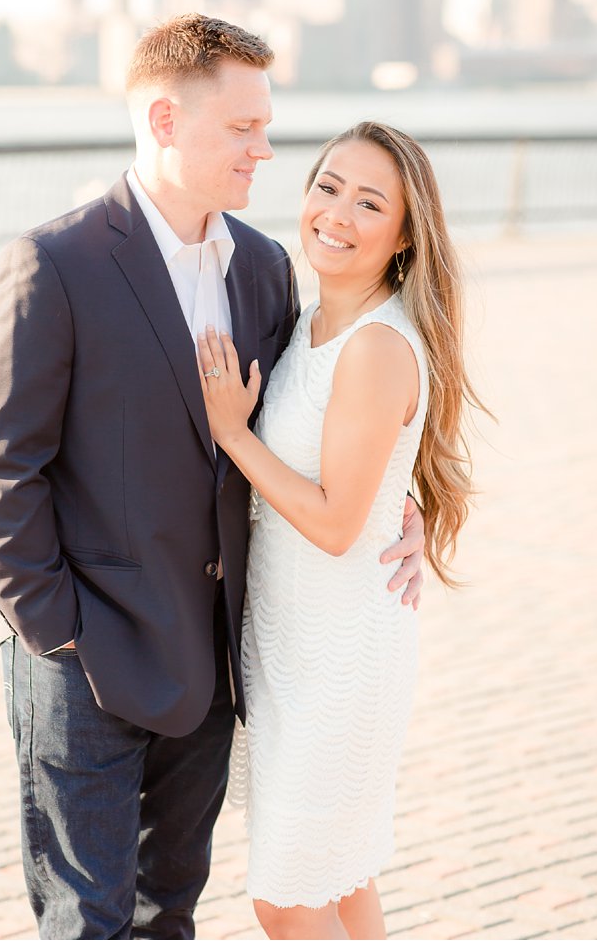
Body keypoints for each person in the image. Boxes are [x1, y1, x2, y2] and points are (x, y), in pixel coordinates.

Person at [0, 14, 426, 939]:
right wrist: (58, 635)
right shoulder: (54, 265)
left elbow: (319, 423)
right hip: (84, 665)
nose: (266, 149)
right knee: (88, 924)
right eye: (243, 128)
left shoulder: (263, 270)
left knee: (168, 915)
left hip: (211, 671)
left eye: (265, 124)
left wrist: (398, 504)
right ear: (167, 121)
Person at [195, 120, 485, 940]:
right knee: (341, 878)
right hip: (292, 644)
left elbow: (331, 522)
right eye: (328, 186)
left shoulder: (376, 345)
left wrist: (235, 433)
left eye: (369, 203)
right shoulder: (312, 319)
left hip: (338, 653)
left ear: (402, 237)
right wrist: (407, 501)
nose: (338, 214)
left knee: (288, 898)